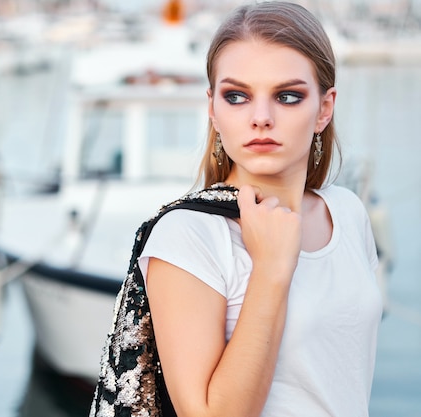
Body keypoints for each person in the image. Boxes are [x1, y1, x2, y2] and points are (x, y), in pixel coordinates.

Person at [138, 2, 383, 416]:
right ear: (213, 108)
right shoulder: (189, 236)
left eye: (288, 96)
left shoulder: (347, 212)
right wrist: (271, 270)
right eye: (237, 96)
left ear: (324, 108)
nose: (262, 118)